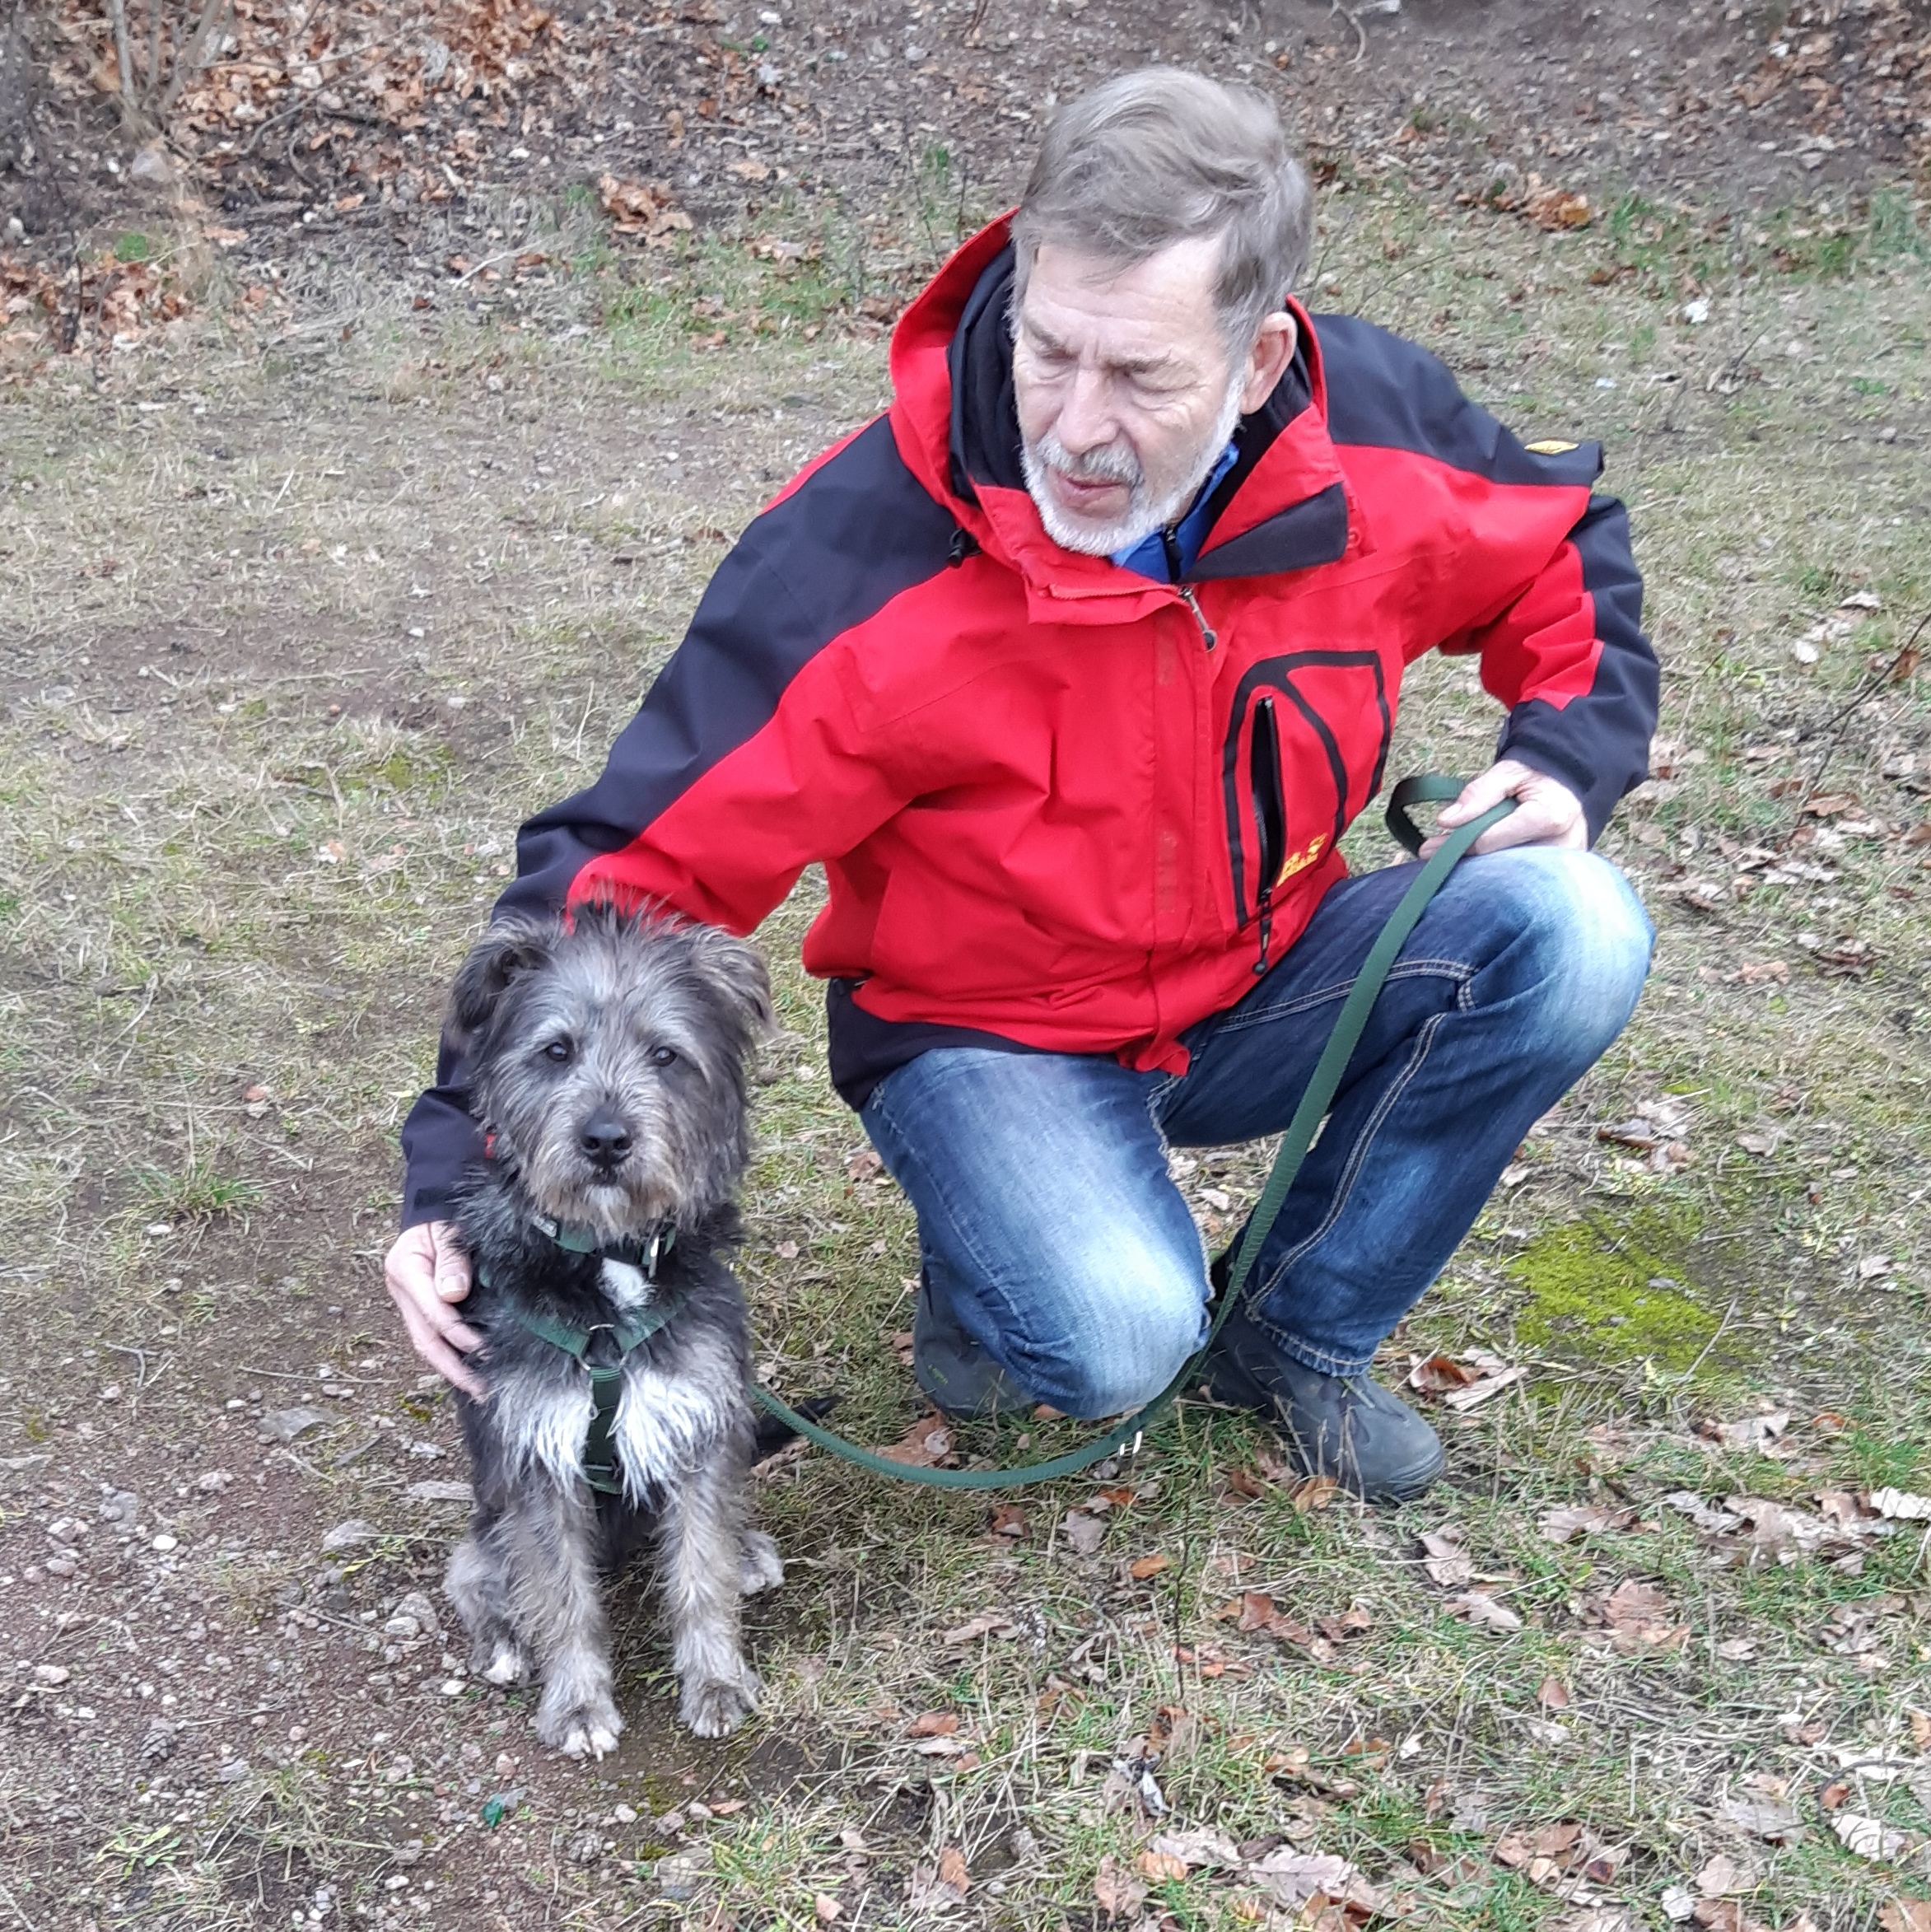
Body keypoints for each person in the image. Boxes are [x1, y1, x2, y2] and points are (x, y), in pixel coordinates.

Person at [387, 67, 1657, 1501]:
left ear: (1254, 363)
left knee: (1575, 926)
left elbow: (1559, 542)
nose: (1074, 426)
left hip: (1264, 979)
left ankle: (1295, 1331)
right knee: (1114, 1335)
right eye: (1048, 351)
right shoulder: (859, 554)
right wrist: (454, 1170)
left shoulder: (1366, 439)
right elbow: (633, 862)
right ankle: (987, 1260)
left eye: (1142, 378)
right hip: (981, 1035)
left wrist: (1563, 750)